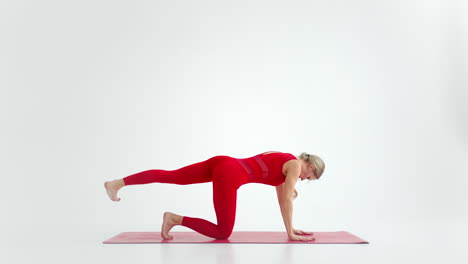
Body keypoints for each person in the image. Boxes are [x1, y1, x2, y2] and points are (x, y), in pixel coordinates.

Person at [104, 151, 325, 241]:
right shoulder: (296, 165)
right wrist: (290, 233)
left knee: (172, 176)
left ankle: (117, 183)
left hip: (223, 162)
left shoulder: (287, 160)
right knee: (223, 232)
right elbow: (287, 199)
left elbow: (282, 197)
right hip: (229, 174)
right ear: (310, 165)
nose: (305, 179)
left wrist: (291, 228)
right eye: (310, 176)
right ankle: (174, 218)